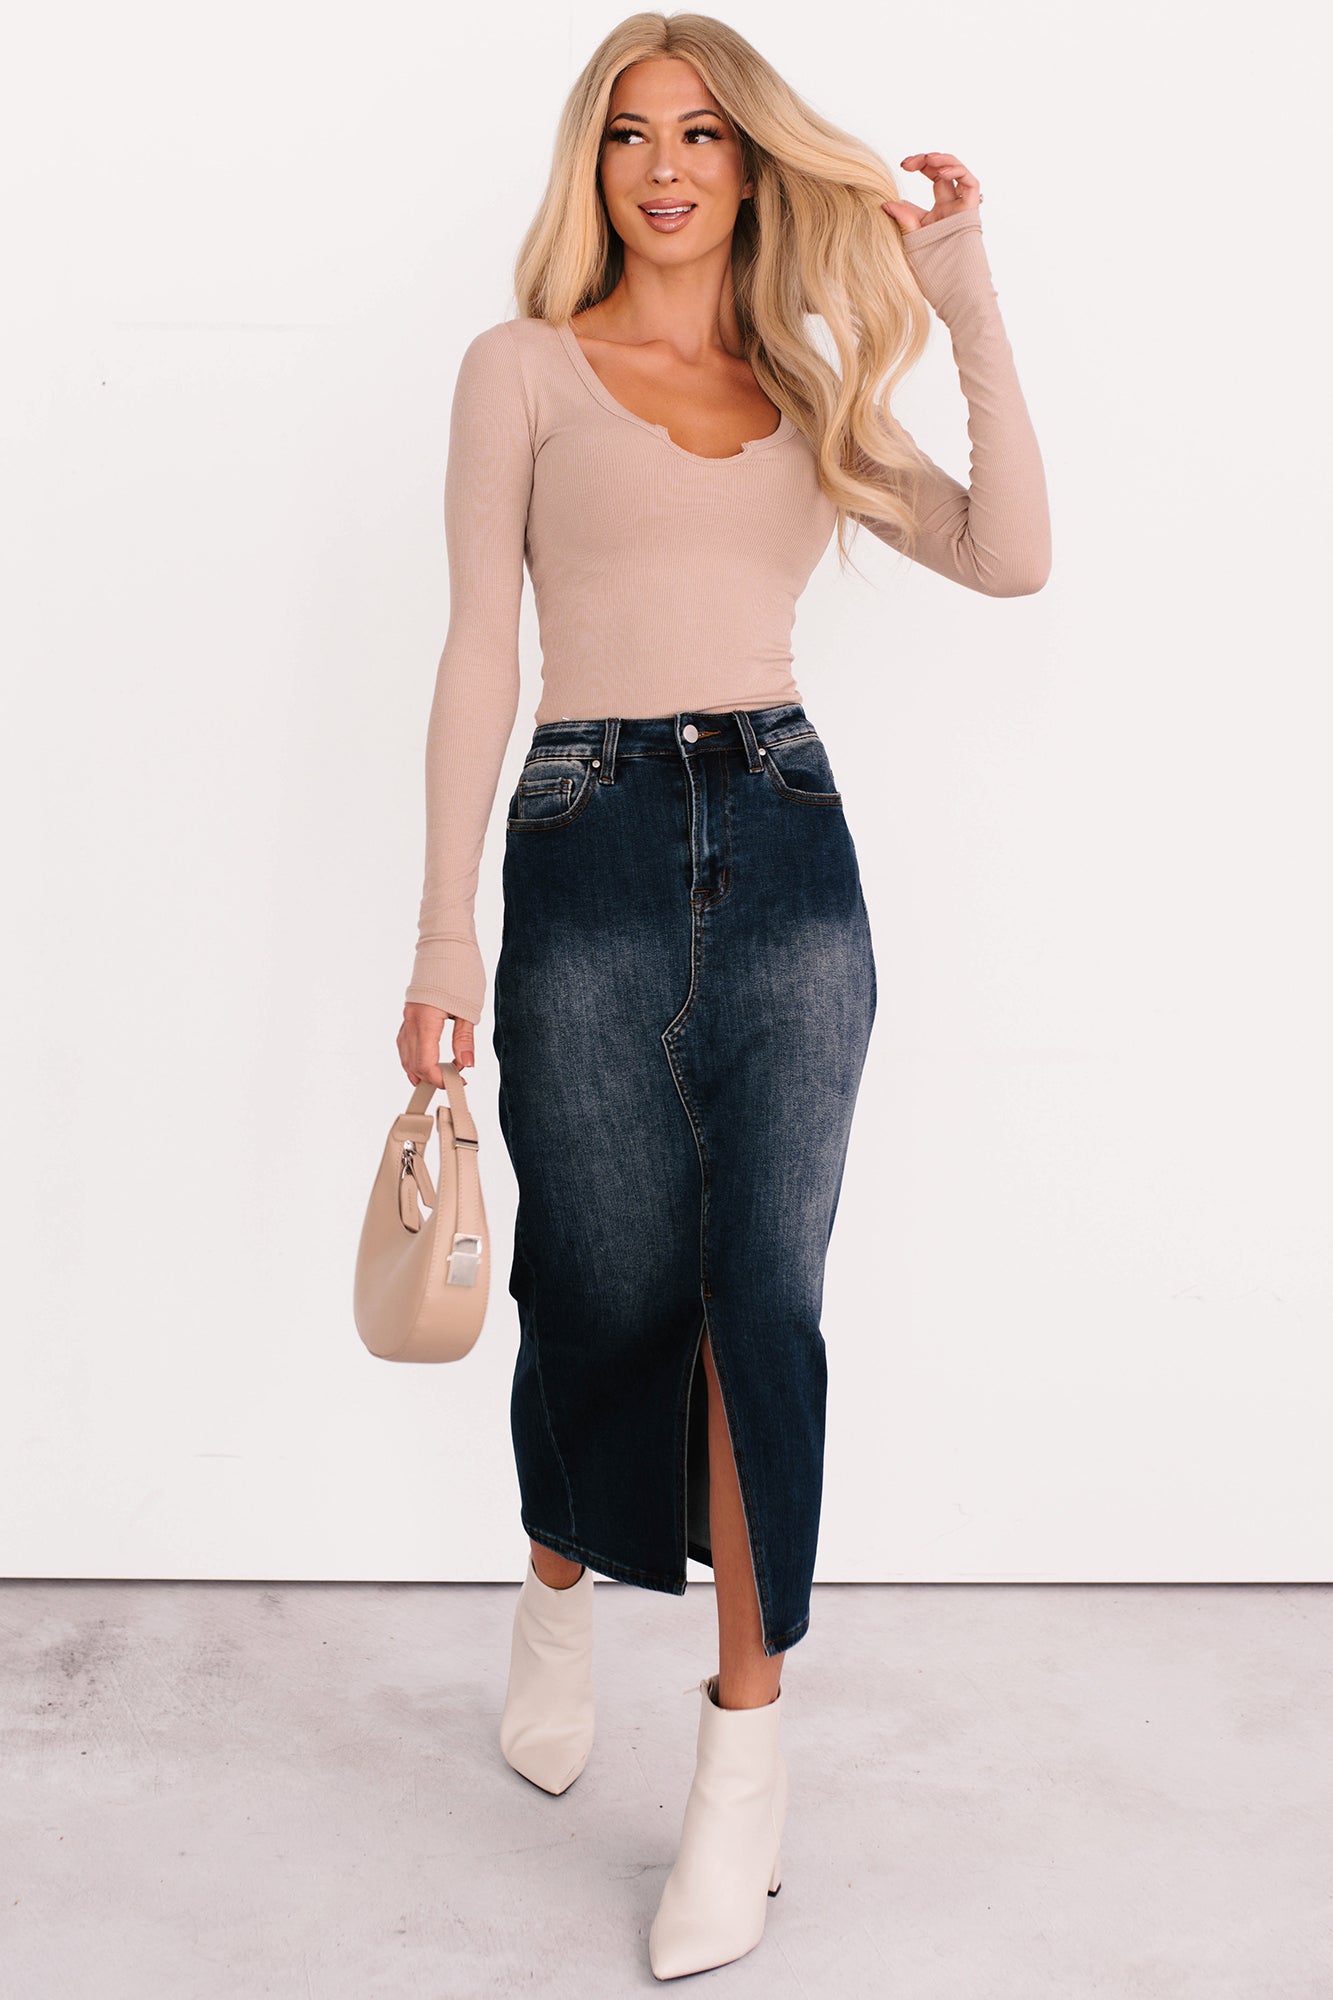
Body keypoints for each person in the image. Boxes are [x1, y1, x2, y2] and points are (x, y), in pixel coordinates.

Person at [396, 13, 1050, 1982]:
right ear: (590, 166)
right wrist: (438, 936)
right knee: (599, 1281)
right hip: (583, 842)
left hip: (784, 852)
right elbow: (476, 648)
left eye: (699, 133)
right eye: (629, 134)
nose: (665, 165)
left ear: (752, 163)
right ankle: (556, 1580)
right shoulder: (518, 368)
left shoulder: (807, 386)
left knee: (761, 1303)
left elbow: (1009, 557)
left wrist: (962, 291)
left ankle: (740, 1767)